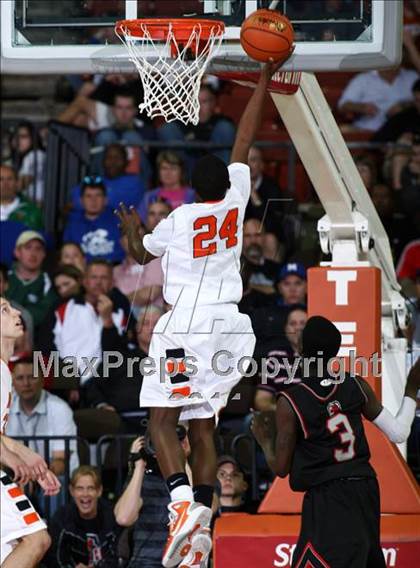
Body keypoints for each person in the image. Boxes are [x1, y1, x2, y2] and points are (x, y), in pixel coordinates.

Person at [116, 59, 288, 567]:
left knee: (161, 420)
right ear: (229, 182)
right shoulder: (236, 203)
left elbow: (141, 256)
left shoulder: (179, 217)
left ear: (192, 187)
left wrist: (130, 230)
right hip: (231, 328)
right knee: (203, 426)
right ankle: (203, 525)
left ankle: (179, 505)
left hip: (188, 323)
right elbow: (245, 140)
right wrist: (262, 80)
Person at [252, 316, 420, 568]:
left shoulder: (291, 400)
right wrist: (411, 387)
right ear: (335, 351)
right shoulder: (355, 384)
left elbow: (281, 468)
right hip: (365, 489)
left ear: (300, 348)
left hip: (328, 496)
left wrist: (265, 440)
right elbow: (399, 433)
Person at [0, 297, 60, 566]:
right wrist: (10, 458)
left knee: (11, 550)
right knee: (37, 539)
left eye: (12, 306)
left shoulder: (4, 369)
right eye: (4, 310)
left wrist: (28, 457)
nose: (16, 312)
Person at [7, 354, 79, 514]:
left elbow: (60, 461)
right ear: (12, 381)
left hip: (55, 473)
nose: (26, 383)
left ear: (42, 379)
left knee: (54, 484)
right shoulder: (5, 407)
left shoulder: (60, 409)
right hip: (19, 473)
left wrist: (33, 476)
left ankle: (53, 534)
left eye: (32, 377)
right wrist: (22, 476)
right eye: (20, 378)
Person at [114, 428, 194, 568]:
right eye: (157, 444)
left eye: (169, 444)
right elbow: (124, 518)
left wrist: (182, 460)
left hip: (183, 563)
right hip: (144, 562)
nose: (163, 450)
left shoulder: (192, 473)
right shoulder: (140, 480)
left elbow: (195, 512)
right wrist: (139, 465)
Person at [45, 465, 123, 568]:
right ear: (72, 491)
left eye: (90, 488)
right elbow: (54, 559)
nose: (85, 494)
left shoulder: (112, 515)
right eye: (80, 488)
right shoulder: (62, 518)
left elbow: (119, 557)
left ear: (99, 491)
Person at [158, 84, 236, 169]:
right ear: (187, 104)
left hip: (214, 168)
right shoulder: (179, 123)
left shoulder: (221, 123)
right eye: (194, 101)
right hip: (186, 169)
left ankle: (222, 179)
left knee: (225, 129)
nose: (198, 107)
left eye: (204, 101)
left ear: (213, 103)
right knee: (167, 130)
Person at [338, 67, 419, 132]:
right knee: (341, 130)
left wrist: (405, 106)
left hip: (403, 132)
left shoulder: (412, 76)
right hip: (369, 129)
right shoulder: (363, 79)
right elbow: (343, 105)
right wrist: (362, 107)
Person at [63, 178, 124, 263]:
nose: (93, 200)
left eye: (98, 195)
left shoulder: (118, 219)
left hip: (114, 269)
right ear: (81, 200)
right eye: (88, 196)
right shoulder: (73, 222)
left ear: (105, 200)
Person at [6, 231, 58, 329]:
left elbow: (45, 315)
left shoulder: (50, 282)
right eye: (28, 247)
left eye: (38, 249)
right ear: (17, 252)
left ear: (44, 254)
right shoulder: (4, 278)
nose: (33, 253)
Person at [71, 145, 145, 211]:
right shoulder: (96, 180)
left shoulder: (134, 183)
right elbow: (75, 198)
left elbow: (120, 206)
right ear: (103, 161)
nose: (113, 162)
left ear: (126, 162)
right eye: (109, 158)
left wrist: (90, 202)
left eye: (117, 158)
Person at [137, 151, 195, 221]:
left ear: (181, 171)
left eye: (173, 168)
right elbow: (141, 223)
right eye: (164, 168)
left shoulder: (193, 195)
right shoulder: (149, 196)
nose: (168, 173)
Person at [10, 121, 46, 203]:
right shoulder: (26, 157)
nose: (18, 141)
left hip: (35, 206)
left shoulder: (35, 155)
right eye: (16, 137)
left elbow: (22, 183)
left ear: (33, 139)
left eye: (23, 137)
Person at [0, 165, 43, 229]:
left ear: (17, 183)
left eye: (9, 179)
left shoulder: (31, 211)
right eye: (1, 179)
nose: (5, 183)